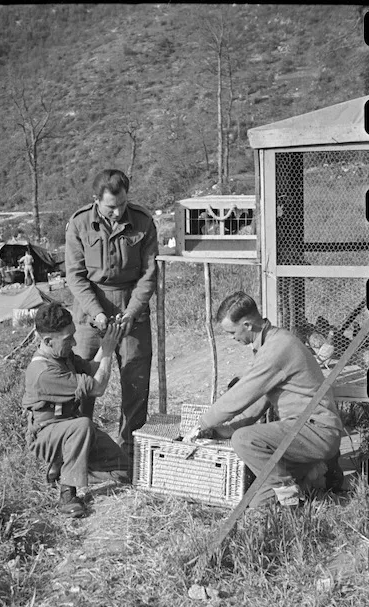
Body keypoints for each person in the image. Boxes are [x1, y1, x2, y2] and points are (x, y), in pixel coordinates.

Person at [183, 291, 344, 509]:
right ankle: (317, 472)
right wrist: (227, 429)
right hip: (301, 432)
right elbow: (261, 401)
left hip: (316, 430)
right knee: (258, 503)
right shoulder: (270, 343)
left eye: (232, 332)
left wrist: (202, 423)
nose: (232, 338)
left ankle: (291, 496)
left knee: (244, 440)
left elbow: (241, 395)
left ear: (247, 325)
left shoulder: (278, 348)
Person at [65, 168, 158, 473]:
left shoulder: (143, 221)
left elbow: (148, 274)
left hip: (132, 309)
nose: (117, 212)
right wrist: (97, 313)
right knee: (83, 384)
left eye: (121, 204)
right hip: (91, 312)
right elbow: (75, 277)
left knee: (135, 382)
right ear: (96, 201)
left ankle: (127, 457)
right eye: (110, 207)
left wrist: (131, 312)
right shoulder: (79, 223)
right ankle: (82, 455)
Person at [22, 302, 129, 517]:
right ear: (47, 341)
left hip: (70, 431)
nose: (74, 342)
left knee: (123, 470)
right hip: (46, 436)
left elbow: (90, 369)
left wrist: (105, 344)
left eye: (73, 334)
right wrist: (108, 351)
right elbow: (97, 387)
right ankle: (67, 494)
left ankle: (65, 468)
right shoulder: (43, 372)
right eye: (68, 338)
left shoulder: (62, 355)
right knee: (82, 425)